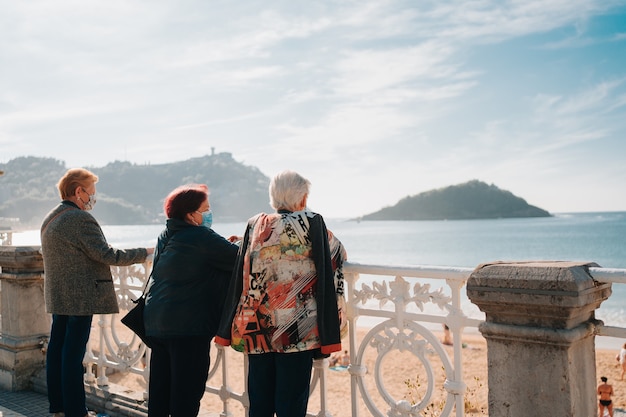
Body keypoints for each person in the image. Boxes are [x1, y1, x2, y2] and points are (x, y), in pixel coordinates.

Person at [215, 170, 347, 417]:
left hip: (258, 327)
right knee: (291, 404)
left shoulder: (255, 224)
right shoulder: (312, 221)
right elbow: (337, 253)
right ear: (303, 198)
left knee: (260, 402)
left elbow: (245, 259)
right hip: (296, 331)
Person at [41, 168, 154, 417]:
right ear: (78, 191)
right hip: (80, 298)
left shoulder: (51, 217)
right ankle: (75, 412)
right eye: (91, 192)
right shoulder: (79, 219)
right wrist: (145, 252)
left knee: (58, 352)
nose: (94, 197)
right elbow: (107, 254)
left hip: (59, 295)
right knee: (72, 356)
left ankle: (58, 408)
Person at [143, 184, 240, 417]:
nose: (209, 213)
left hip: (156, 323)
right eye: (205, 209)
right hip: (188, 327)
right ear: (190, 214)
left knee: (160, 393)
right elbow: (240, 257)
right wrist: (235, 243)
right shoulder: (201, 235)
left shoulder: (166, 234)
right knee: (185, 396)